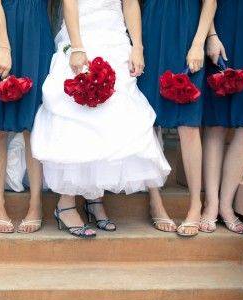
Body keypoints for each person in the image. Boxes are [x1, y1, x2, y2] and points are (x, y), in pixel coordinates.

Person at [31, 0, 171, 238]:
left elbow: (130, 4)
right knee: (77, 116)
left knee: (113, 119)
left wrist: (137, 46)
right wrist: (77, 47)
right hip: (82, 38)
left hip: (115, 39)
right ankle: (65, 205)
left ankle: (94, 199)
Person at [0, 0, 54, 233]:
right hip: (0, 32)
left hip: (36, 33)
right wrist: (5, 49)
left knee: (34, 125)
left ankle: (36, 203)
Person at [138, 0, 217, 236]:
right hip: (151, 28)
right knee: (149, 121)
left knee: (189, 124)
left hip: (187, 32)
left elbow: (210, 3)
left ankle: (195, 205)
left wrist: (198, 42)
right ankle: (155, 201)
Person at [200, 0, 243, 234]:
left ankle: (226, 205)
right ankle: (211, 204)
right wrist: (211, 34)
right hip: (225, 20)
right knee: (216, 120)